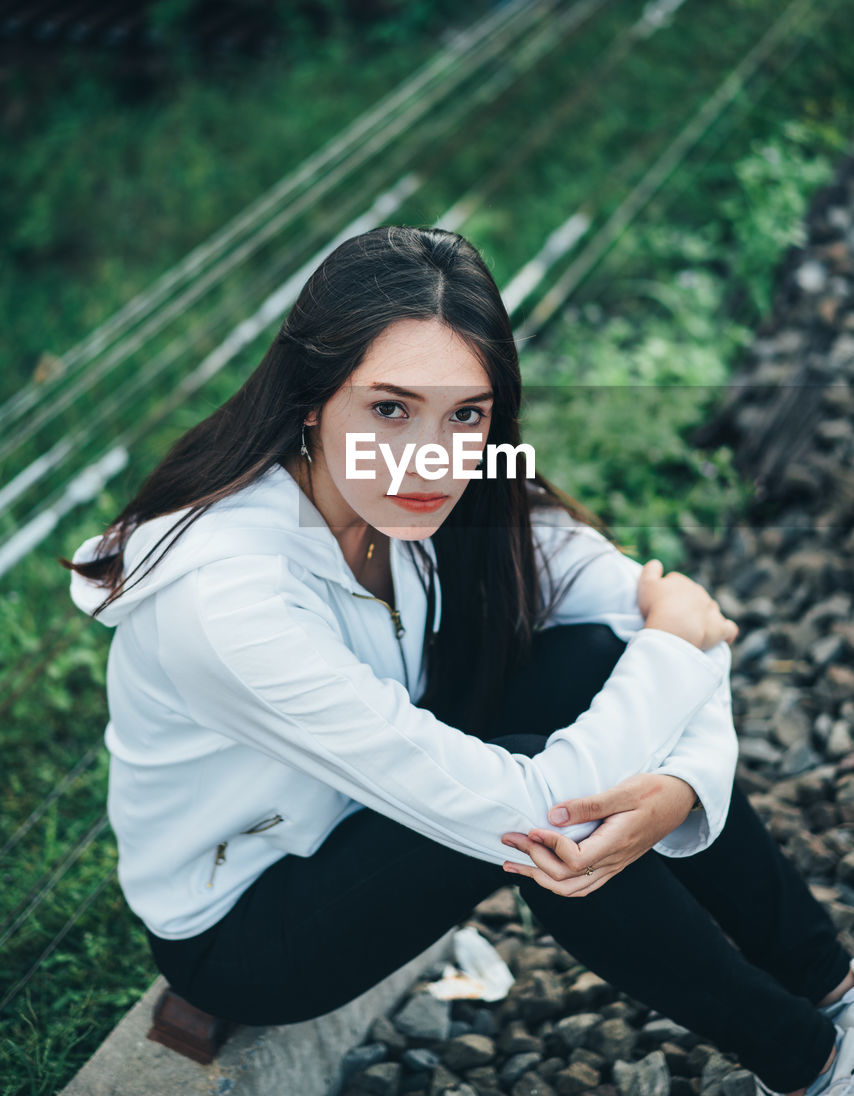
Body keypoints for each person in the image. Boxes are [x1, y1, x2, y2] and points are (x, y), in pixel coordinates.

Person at [63, 226, 854, 1096]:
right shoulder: (227, 602)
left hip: (371, 795)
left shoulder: (444, 491)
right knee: (544, 814)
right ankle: (811, 1062)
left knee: (592, 656)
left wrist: (684, 783)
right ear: (312, 396)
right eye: (391, 409)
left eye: (465, 415)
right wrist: (670, 686)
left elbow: (673, 620)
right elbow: (542, 800)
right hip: (252, 924)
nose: (431, 460)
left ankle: (833, 984)